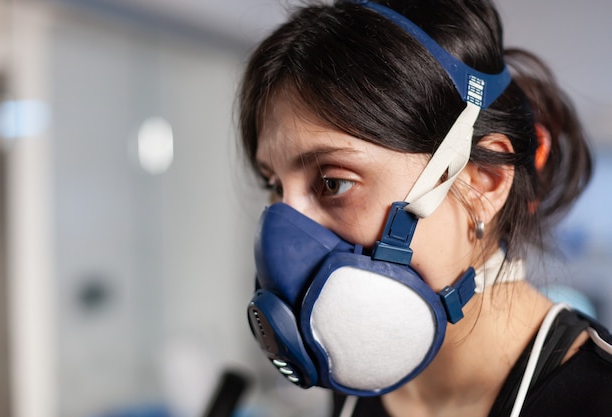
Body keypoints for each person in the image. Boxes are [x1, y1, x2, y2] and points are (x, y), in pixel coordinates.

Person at [237, 1, 612, 416]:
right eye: (274, 186)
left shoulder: (598, 396)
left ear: (483, 182)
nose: (285, 239)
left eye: (333, 183)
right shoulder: (357, 383)